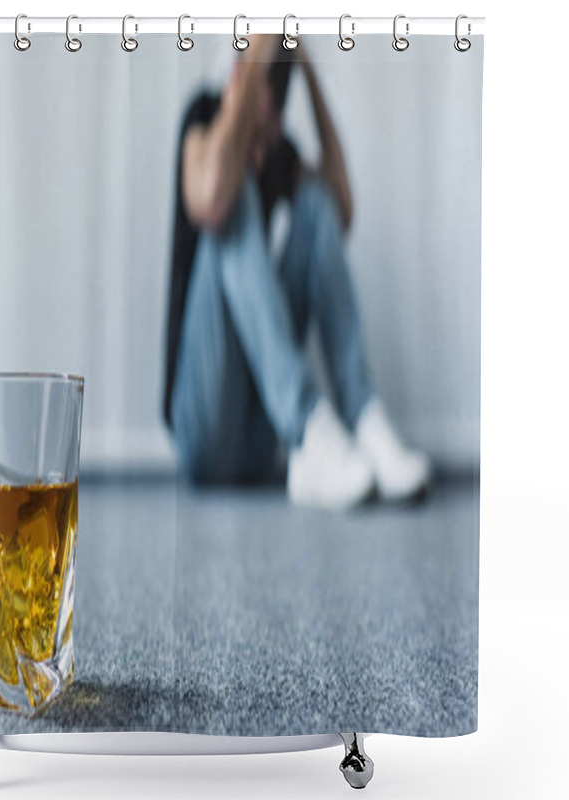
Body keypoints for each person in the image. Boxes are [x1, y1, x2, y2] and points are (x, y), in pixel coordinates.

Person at [162, 35, 430, 511]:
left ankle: (359, 416)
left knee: (315, 203)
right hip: (202, 428)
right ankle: (309, 423)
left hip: (262, 438)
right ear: (237, 82)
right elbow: (210, 200)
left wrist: (305, 71)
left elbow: (341, 213)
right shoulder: (203, 117)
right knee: (232, 196)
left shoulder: (282, 151)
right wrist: (253, 62)